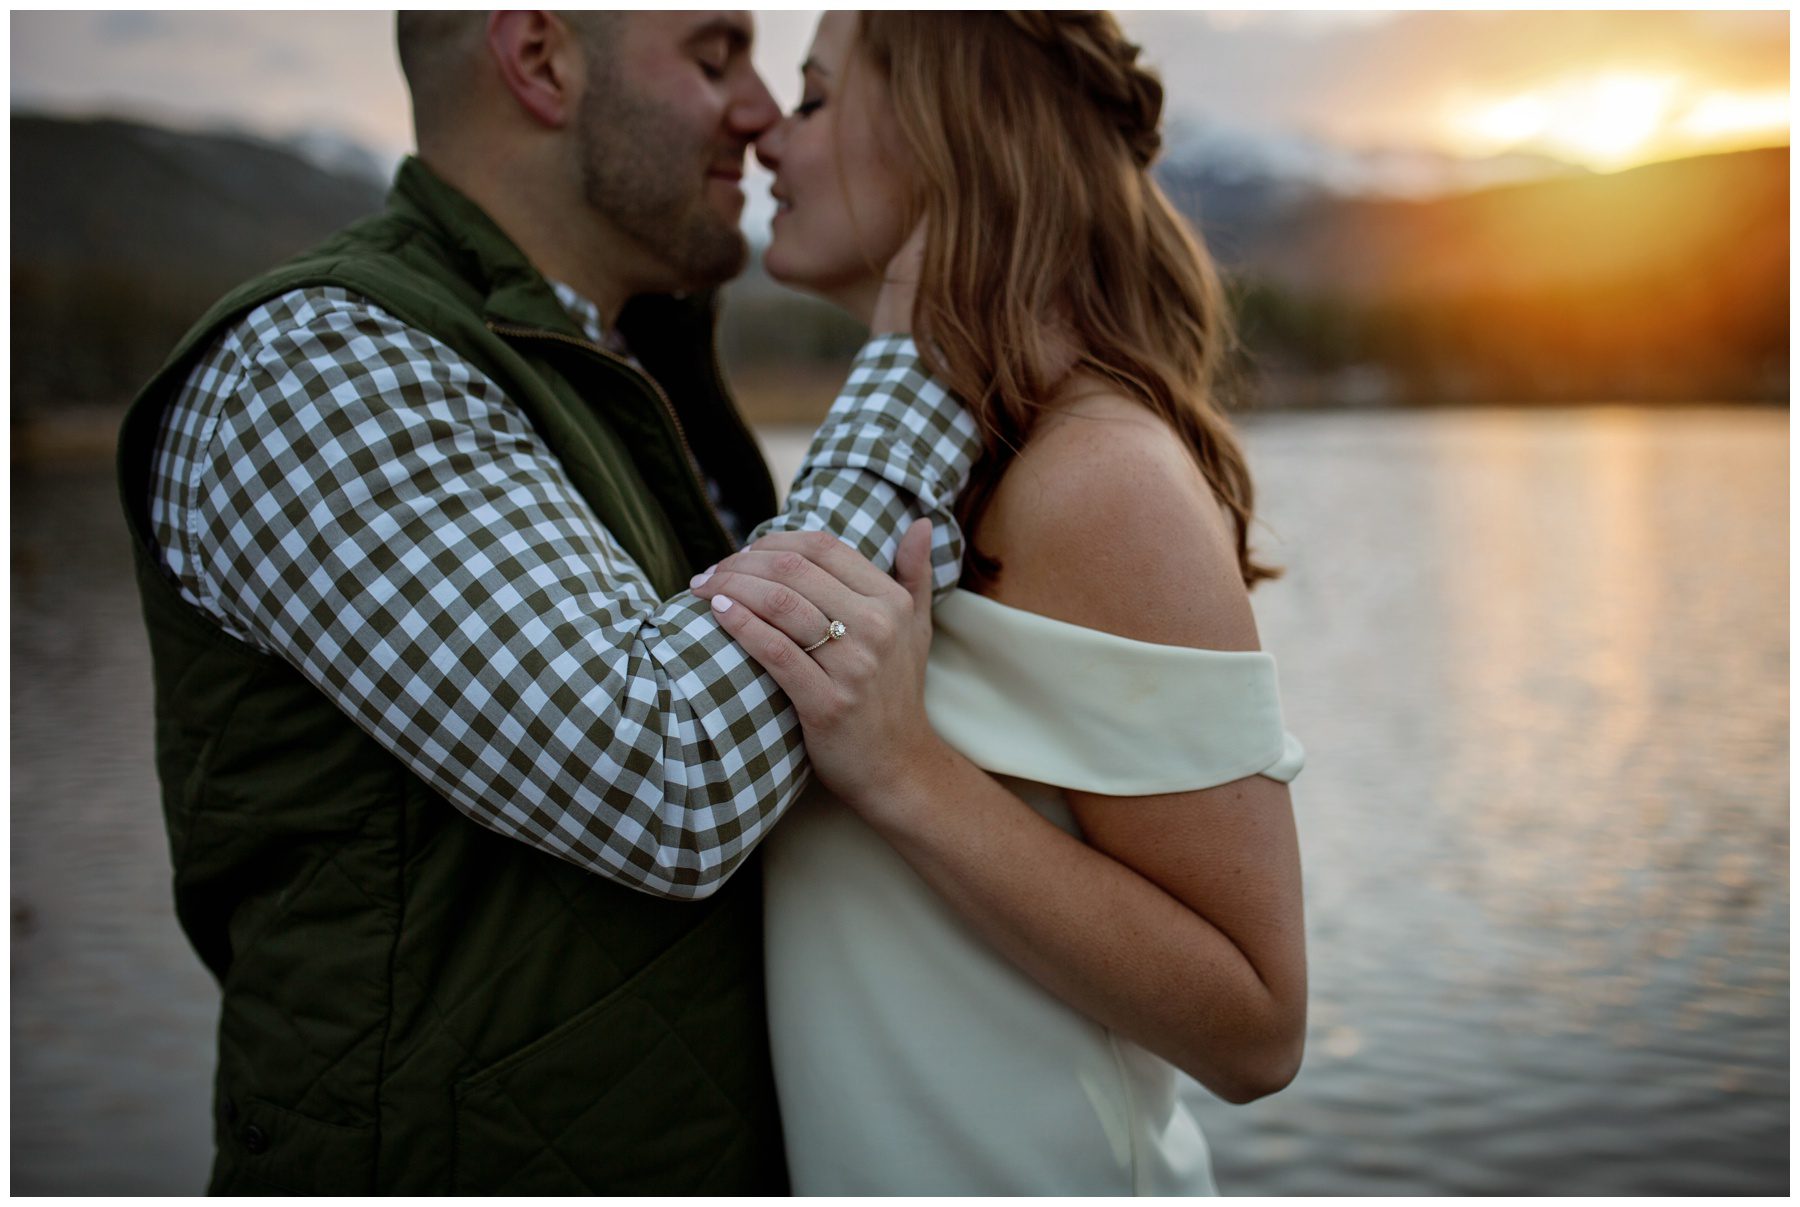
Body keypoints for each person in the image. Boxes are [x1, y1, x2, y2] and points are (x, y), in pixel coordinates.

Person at [113, 10, 979, 1195]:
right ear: (540, 60)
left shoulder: (630, 362)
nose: (763, 112)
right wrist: (930, 359)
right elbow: (670, 777)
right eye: (714, 57)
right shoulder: (318, 366)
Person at [689, 11, 1308, 1195]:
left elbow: (1258, 1025)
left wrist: (906, 770)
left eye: (815, 98)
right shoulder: (942, 465)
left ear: (945, 133)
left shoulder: (1096, 478)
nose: (769, 130)